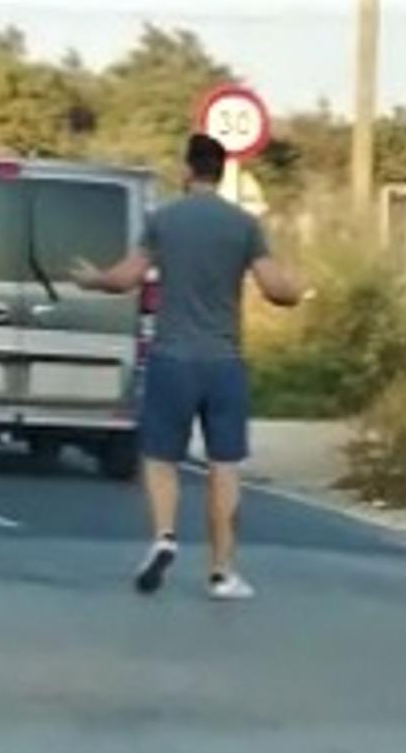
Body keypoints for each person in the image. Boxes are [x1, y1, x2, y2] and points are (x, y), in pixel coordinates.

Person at [73, 133, 302, 601]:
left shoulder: (163, 221)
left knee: (159, 458)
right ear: (221, 171)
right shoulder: (243, 225)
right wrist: (297, 291)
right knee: (224, 466)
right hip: (224, 362)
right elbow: (276, 289)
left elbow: (126, 279)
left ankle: (164, 536)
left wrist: (93, 278)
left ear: (187, 169)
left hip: (172, 358)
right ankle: (221, 572)